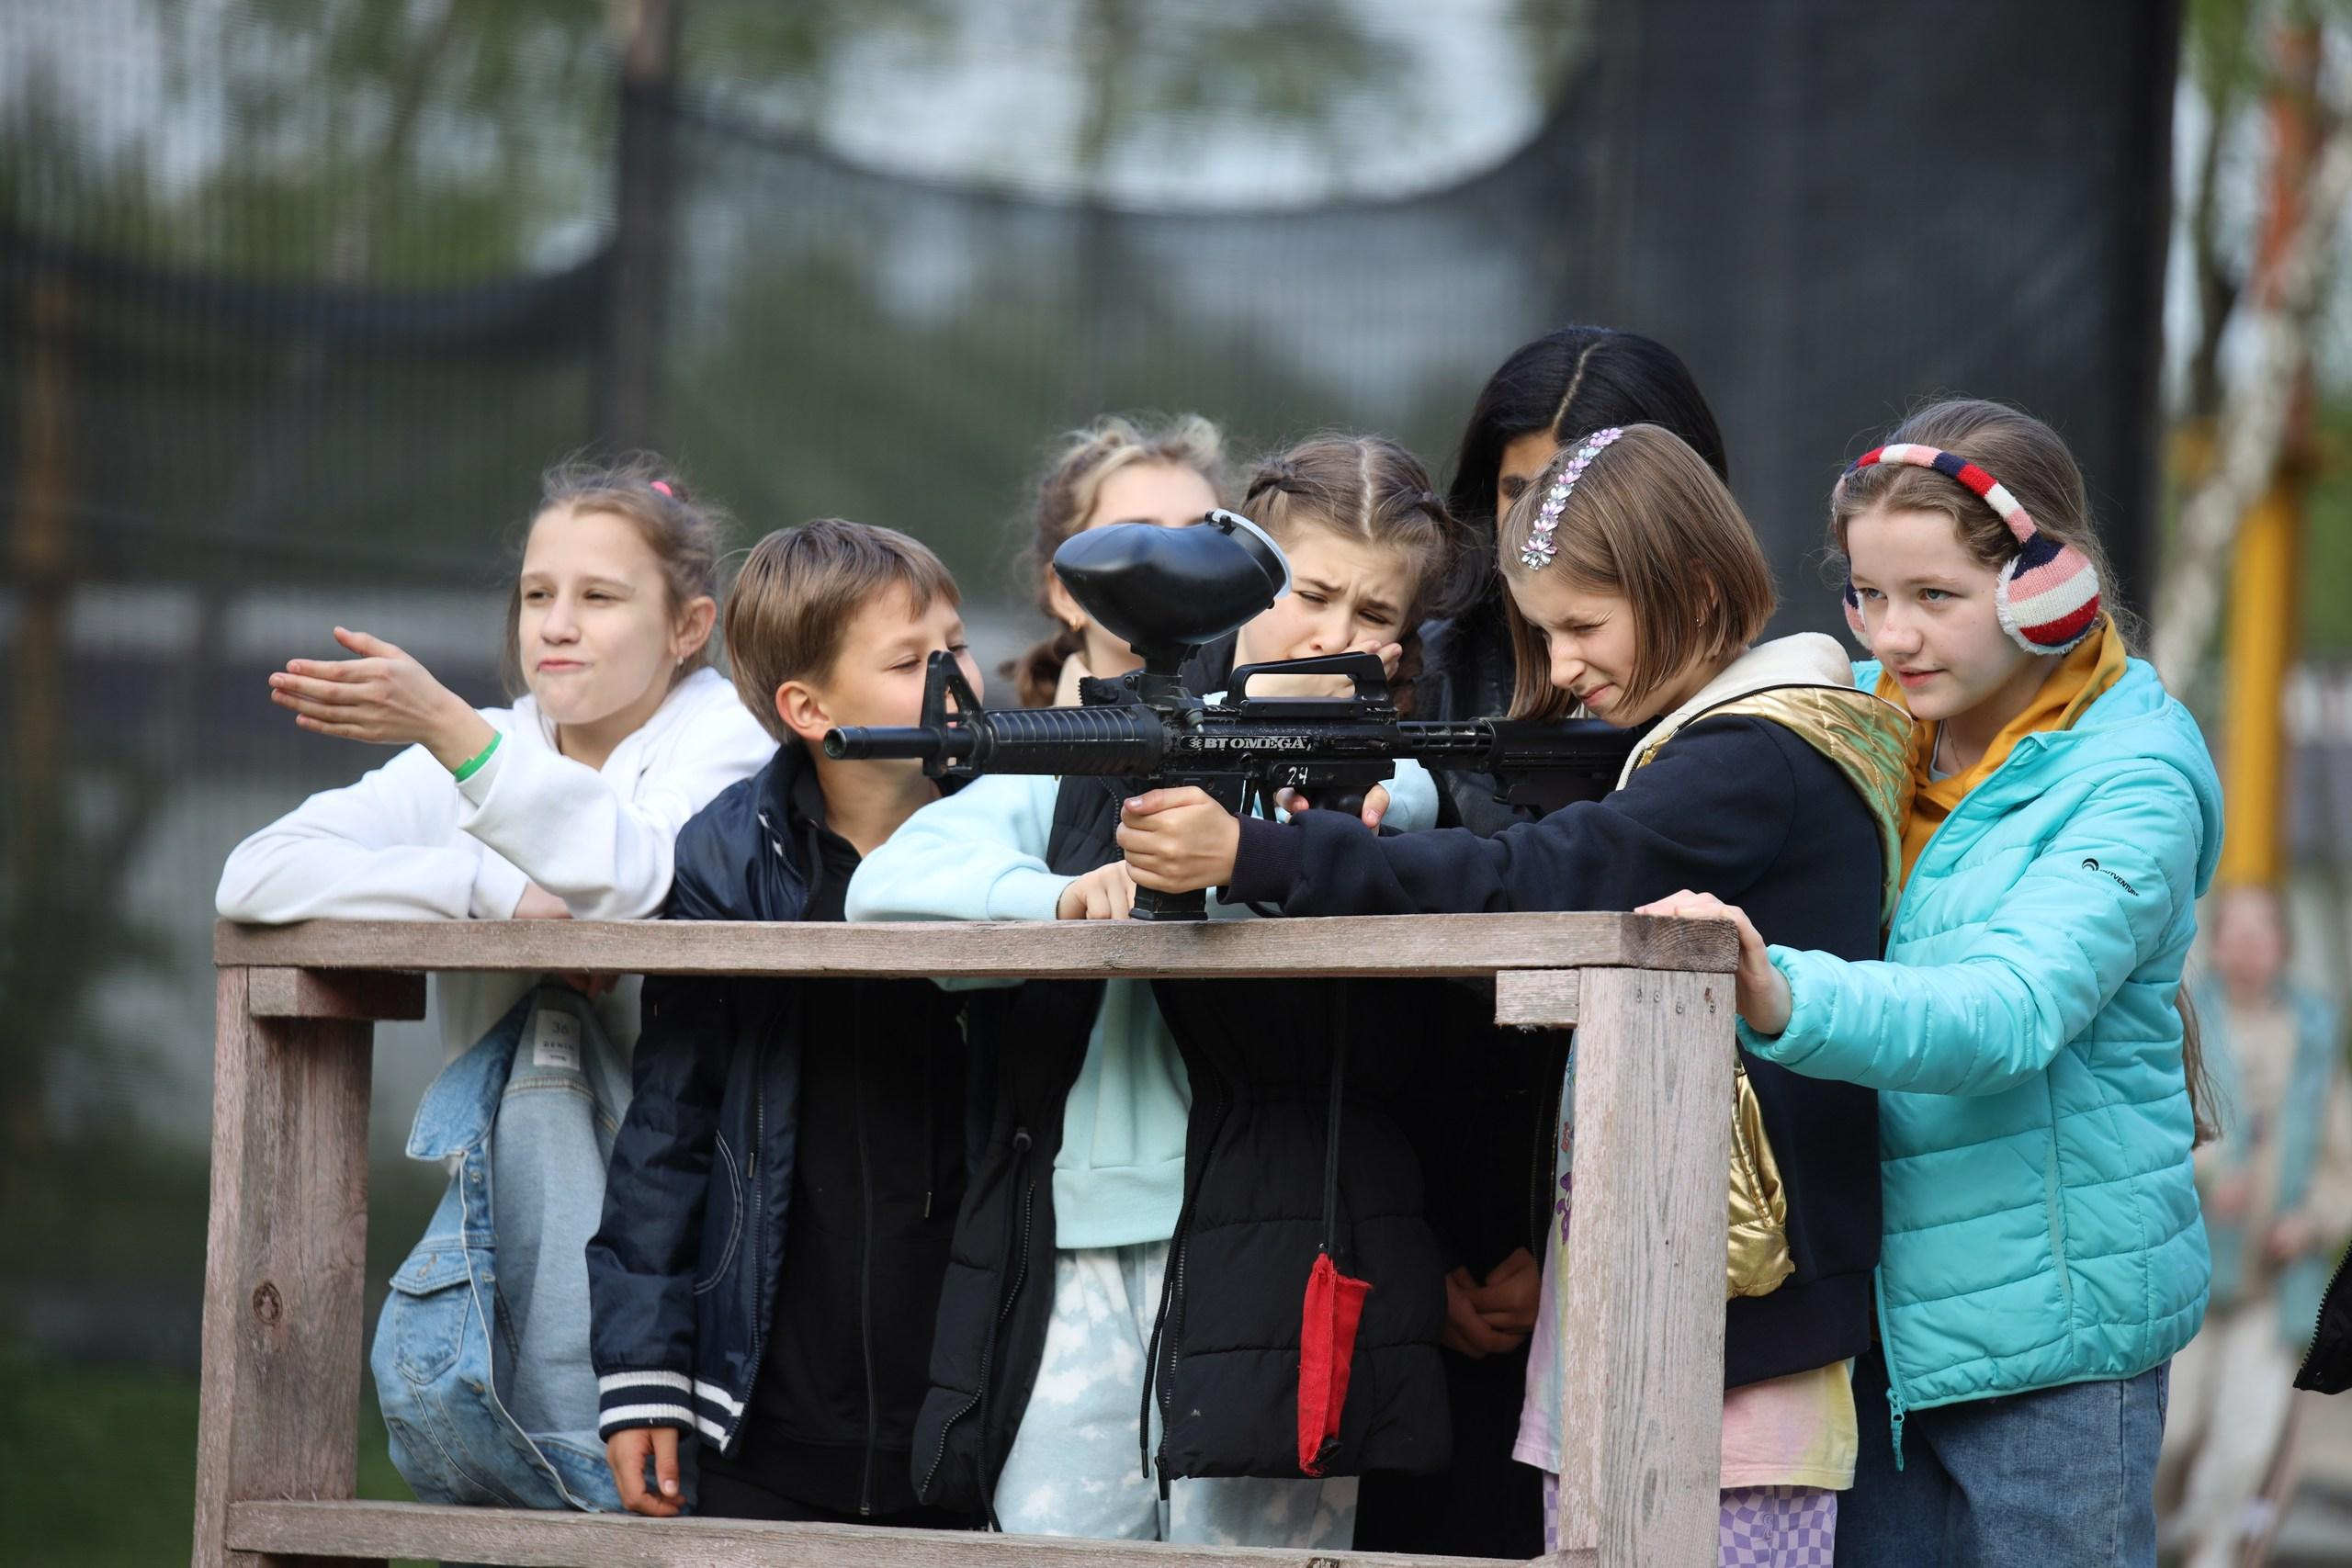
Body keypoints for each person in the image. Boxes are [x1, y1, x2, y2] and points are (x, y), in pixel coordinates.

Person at [1118, 422, 1910, 1566]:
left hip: (1734, 1332)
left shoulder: (1751, 758)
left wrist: (1263, 855)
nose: (1562, 667)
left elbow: (1541, 876)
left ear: (1692, 589)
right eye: (1543, 634)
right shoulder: (1724, 744)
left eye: (1583, 628)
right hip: (1683, 1306)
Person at [847, 434, 1460, 1547]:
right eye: (1309, 594)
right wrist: (1061, 901)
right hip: (1076, 1247)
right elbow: (887, 892)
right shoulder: (1114, 740)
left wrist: (1305, 829)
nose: (1331, 633)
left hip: (1280, 1255)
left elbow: (1407, 809)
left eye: (1373, 613)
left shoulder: (1396, 780)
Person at [1641, 399, 2222, 1568]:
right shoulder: (1864, 721)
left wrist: (1779, 992)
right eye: (1867, 594)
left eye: (1935, 597)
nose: (1893, 634)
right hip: (1874, 1336)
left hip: (2052, 1356)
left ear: (2048, 590)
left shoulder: (2136, 781)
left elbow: (2006, 1013)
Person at [216, 456, 773, 1513]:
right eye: (535, 594)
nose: (556, 625)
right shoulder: (490, 743)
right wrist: (486, 889)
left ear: (689, 627)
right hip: (511, 1225)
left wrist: (449, 731)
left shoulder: (727, 739)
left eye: (599, 597)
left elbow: (643, 880)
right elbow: (254, 876)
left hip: (702, 1228)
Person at [1363, 324, 1734, 1561]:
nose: (1547, 519)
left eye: (1591, 483)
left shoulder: (1719, 706)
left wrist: (1564, 1251)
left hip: (1630, 1241)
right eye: (1521, 489)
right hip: (1424, 1237)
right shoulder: (1417, 674)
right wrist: (1420, 1263)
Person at [586, 521, 988, 1527]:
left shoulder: (1024, 830)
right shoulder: (725, 856)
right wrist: (643, 1369)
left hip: (976, 1397)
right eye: (911, 660)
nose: (954, 679)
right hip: (769, 1412)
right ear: (808, 709)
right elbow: (669, 1124)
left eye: (958, 645)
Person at [2159, 886, 2352, 1568]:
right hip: (2189, 1275)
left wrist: (2314, 1219)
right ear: (2215, 943)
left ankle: (2212, 1553)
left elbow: (2341, 1163)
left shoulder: (2314, 1034)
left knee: (2243, 1450)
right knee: (2172, 1432)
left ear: (2283, 945)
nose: (2246, 948)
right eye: (2233, 933)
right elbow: (2153, 1130)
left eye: (2260, 933)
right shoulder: (2180, 1021)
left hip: (2275, 1284)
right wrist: (2208, 1173)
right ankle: (2149, 1540)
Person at [1004, 413, 1227, 707]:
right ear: (1067, 592)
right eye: (1138, 541)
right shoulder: (1009, 739)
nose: (1180, 560)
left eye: (1203, 537)